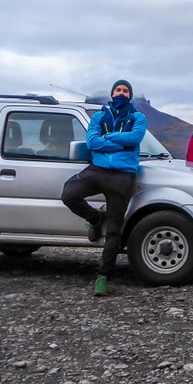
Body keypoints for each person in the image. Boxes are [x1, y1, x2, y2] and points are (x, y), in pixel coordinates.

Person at [61, 79, 147, 296]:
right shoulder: (99, 116)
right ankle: (95, 219)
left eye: (125, 90)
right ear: (112, 93)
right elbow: (92, 142)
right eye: (118, 89)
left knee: (115, 229)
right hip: (97, 170)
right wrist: (121, 143)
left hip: (123, 175)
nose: (121, 92)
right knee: (69, 194)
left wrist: (108, 136)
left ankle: (103, 276)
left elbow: (135, 138)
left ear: (130, 95)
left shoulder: (138, 117)